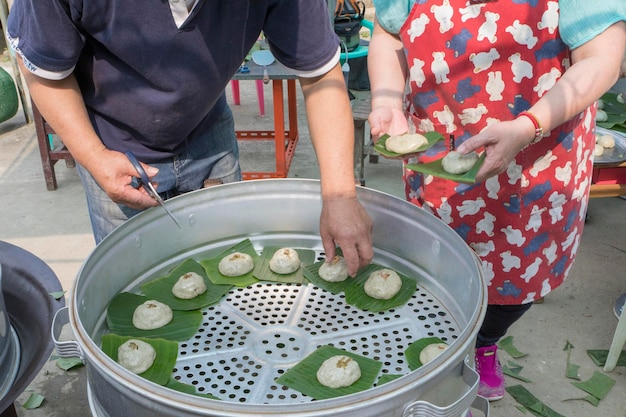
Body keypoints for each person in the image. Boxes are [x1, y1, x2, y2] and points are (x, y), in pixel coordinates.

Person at [367, 0, 626, 401]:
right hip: (441, 160)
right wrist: (385, 100)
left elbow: (602, 57)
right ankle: (447, 359)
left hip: (536, 163)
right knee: (440, 276)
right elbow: (387, 32)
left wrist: (528, 126)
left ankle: (486, 341)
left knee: (518, 283)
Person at [6, 0, 373, 276]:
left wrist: (340, 194)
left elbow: (321, 77)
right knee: (135, 284)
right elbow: (43, 70)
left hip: (207, 129)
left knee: (232, 277)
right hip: (111, 148)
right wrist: (93, 156)